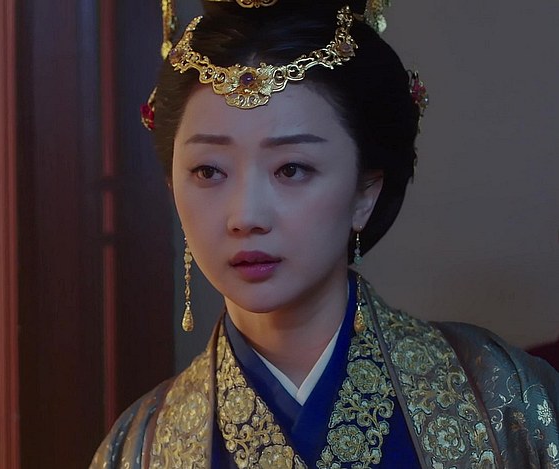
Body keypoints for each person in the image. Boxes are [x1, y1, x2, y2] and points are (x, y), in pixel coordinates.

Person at [91, 1, 559, 467]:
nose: (245, 216)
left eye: (291, 169)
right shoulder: (139, 448)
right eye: (209, 171)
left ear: (365, 193)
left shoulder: (503, 398)